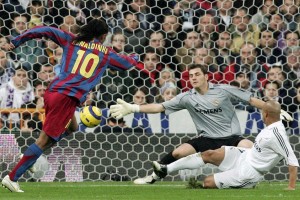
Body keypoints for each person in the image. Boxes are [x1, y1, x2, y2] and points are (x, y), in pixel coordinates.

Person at [1, 18, 138, 192]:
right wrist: (135, 57)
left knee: (73, 127)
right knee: (43, 141)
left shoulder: (71, 39)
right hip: (66, 98)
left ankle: (31, 156)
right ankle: (13, 177)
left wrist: (16, 41)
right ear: (103, 36)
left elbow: (45, 29)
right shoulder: (105, 52)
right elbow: (125, 64)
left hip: (54, 92)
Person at [110, 63, 268, 185]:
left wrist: (274, 111)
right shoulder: (187, 97)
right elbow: (159, 107)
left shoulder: (223, 90)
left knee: (249, 146)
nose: (193, 78)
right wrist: (133, 108)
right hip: (206, 138)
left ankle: (251, 178)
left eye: (197, 74)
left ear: (206, 76)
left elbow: (251, 100)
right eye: (191, 75)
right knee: (178, 153)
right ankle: (153, 177)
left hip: (232, 137)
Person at [152, 101, 298, 190]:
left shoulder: (278, 134)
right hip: (245, 156)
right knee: (209, 154)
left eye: (262, 112)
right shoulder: (273, 126)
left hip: (249, 172)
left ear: (266, 114)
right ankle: (166, 169)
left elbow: (292, 160)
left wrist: (291, 187)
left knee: (207, 182)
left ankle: (247, 184)